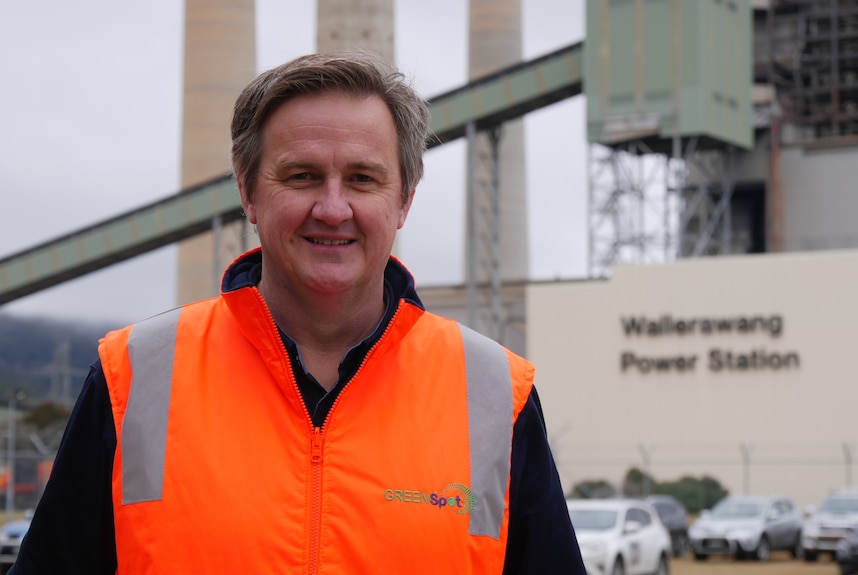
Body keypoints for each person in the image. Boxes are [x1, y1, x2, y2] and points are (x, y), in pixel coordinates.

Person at [10, 50, 585, 574]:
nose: (332, 208)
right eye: (302, 176)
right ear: (248, 192)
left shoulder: (492, 393)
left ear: (404, 199)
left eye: (362, 179)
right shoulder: (132, 378)